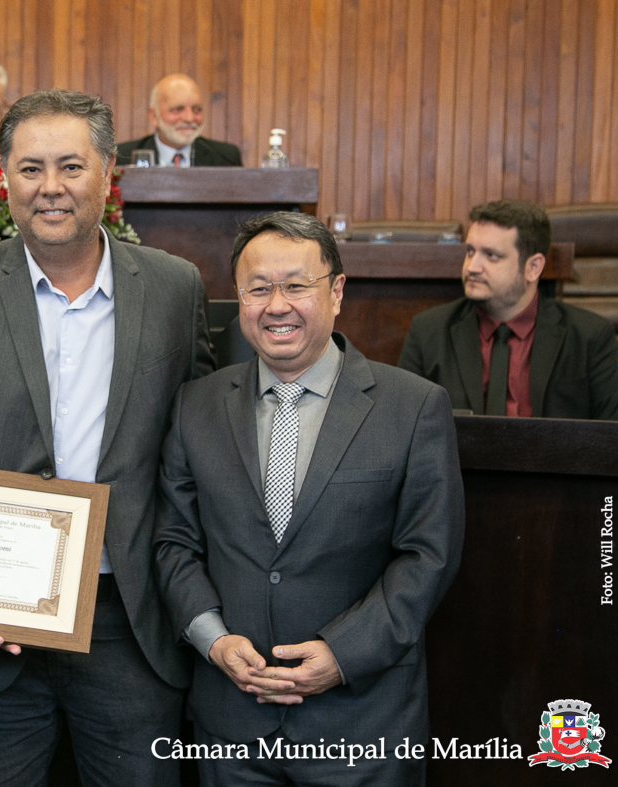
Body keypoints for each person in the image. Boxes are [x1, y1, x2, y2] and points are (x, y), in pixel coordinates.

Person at [0, 89, 213, 786]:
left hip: (127, 619)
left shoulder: (174, 289)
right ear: (4, 176)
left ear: (107, 169)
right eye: (30, 168)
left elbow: (195, 452)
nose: (50, 187)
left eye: (71, 166)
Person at [153, 212, 464, 785]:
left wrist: (344, 654)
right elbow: (174, 541)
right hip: (232, 728)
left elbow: (428, 556)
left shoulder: (413, 407)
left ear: (337, 291)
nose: (277, 306)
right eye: (258, 289)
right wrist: (213, 640)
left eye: (296, 286)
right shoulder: (195, 406)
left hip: (362, 726)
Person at [398, 199, 618, 420]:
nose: (472, 267)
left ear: (533, 267)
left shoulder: (588, 336)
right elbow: (401, 424)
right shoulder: (429, 331)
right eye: (470, 251)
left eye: (491, 255)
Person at [116, 73, 242, 167]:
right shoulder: (122, 157)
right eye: (177, 109)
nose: (189, 118)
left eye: (196, 110)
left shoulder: (226, 157)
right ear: (153, 117)